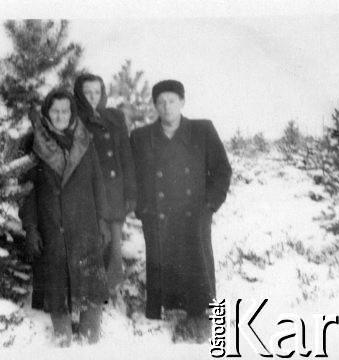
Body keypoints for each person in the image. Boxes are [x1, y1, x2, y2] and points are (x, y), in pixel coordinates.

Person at [130, 80, 232, 342]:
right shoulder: (141, 136)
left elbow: (222, 171)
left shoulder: (202, 130)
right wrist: (141, 208)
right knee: (162, 264)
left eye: (172, 101)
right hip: (158, 215)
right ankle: (167, 318)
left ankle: (202, 320)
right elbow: (132, 176)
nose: (166, 106)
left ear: (182, 102)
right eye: (161, 102)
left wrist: (209, 205)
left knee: (198, 266)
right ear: (154, 105)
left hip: (193, 214)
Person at [19, 88, 110, 346]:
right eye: (55, 111)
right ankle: (63, 342)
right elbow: (27, 193)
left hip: (85, 226)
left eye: (65, 111)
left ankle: (90, 339)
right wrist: (31, 227)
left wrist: (102, 220)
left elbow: (98, 183)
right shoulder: (33, 143)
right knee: (57, 283)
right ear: (47, 113)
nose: (60, 116)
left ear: (72, 113)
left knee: (90, 283)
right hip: (53, 226)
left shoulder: (85, 141)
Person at [73, 74, 137, 298]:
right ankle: (93, 299)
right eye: (87, 93)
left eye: (96, 92)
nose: (92, 97)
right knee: (94, 244)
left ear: (103, 94)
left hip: (114, 193)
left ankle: (113, 294)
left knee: (115, 247)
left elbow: (126, 156)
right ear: (80, 94)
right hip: (89, 194)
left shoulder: (114, 118)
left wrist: (130, 191)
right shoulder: (74, 119)